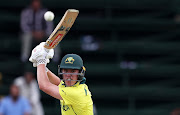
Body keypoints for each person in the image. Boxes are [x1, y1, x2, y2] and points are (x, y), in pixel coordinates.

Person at [29, 42, 93, 115]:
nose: (68, 75)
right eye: (65, 71)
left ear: (80, 72)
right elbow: (58, 83)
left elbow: (44, 86)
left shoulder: (76, 93)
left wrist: (40, 61)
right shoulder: (71, 86)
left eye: (73, 71)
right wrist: (43, 67)